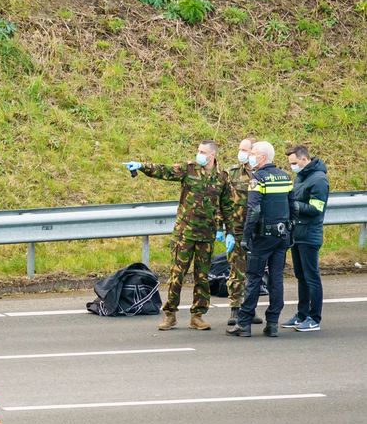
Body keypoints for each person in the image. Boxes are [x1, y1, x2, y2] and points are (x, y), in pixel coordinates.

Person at [125, 140, 239, 331]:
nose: (199, 154)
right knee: (177, 275)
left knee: (202, 277)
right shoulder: (189, 169)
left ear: (212, 155)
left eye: (203, 151)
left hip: (207, 235)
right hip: (184, 234)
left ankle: (198, 315)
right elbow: (165, 171)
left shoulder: (222, 176)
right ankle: (170, 314)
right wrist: (142, 166)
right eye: (198, 151)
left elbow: (227, 206)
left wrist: (229, 231)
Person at [228, 141, 294, 337]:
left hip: (262, 236)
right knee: (276, 280)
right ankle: (272, 323)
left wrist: (246, 236)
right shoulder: (285, 176)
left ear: (263, 157)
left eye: (254, 153)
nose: (251, 156)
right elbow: (292, 207)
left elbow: (254, 210)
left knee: (253, 278)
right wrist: (291, 233)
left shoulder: (258, 178)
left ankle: (244, 324)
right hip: (282, 235)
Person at [217, 137, 263, 327]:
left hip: (258, 231)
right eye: (240, 149)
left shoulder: (263, 174)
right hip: (236, 230)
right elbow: (221, 202)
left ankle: (249, 309)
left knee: (255, 272)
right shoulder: (231, 174)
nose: (242, 153)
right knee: (237, 271)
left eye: (245, 150)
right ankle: (235, 309)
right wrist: (221, 227)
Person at [283, 144, 329, 332]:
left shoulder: (319, 180)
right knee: (300, 276)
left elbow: (316, 209)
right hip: (297, 234)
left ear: (304, 159)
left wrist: (293, 206)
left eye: (294, 163)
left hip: (310, 235)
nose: (292, 166)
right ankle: (301, 314)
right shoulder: (300, 177)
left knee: (311, 277)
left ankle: (314, 317)